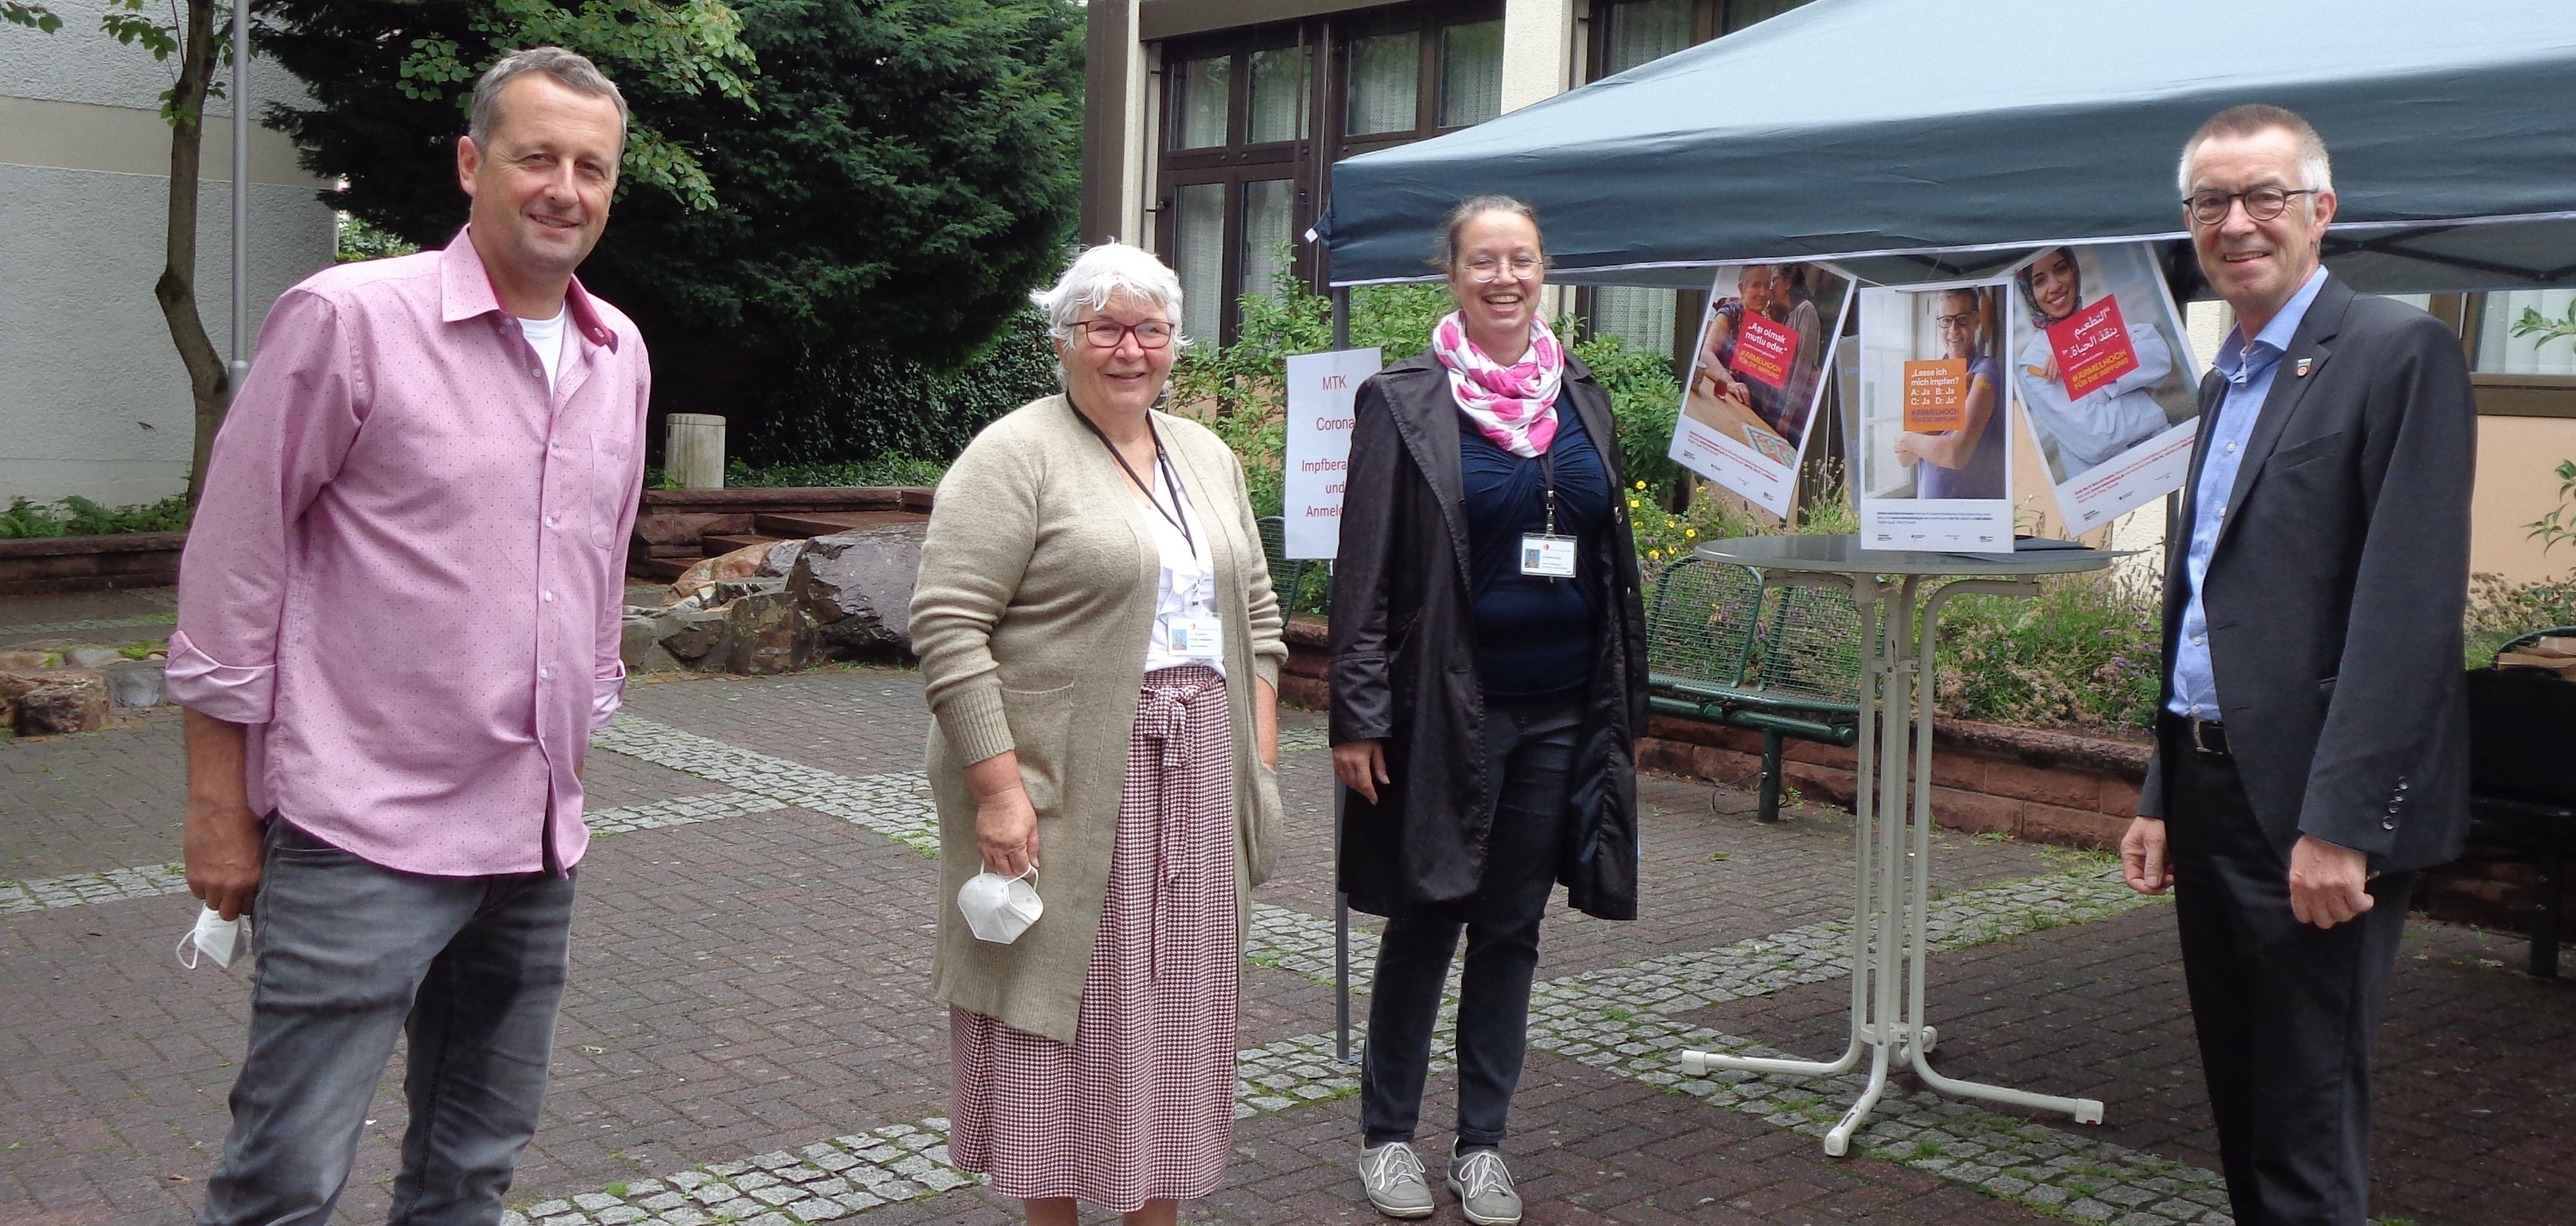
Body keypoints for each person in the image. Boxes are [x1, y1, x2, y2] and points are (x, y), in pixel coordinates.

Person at [168, 48, 647, 1225]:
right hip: (356, 831)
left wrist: (577, 745)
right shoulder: (349, 319)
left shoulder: (614, 352)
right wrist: (220, 806)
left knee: (471, 1166)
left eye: (591, 167)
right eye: (537, 156)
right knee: (284, 1175)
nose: (564, 189)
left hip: (531, 838)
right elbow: (234, 567)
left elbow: (597, 563)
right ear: (473, 164)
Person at [2122, 104, 2474, 1226]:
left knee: (2306, 1126)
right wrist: (2162, 787)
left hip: (2314, 805)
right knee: (2241, 1101)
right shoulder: (2226, 374)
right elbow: (2200, 603)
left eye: (2263, 196)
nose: (2237, 223)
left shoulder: (2395, 351)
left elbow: (2406, 610)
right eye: (2210, 203)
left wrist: (2346, 822)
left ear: (2319, 212)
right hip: (2211, 785)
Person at [911, 242, 1287, 1226]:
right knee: (1063, 1011)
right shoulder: (1014, 453)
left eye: (1150, 328)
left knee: (1176, 1017)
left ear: (1175, 343)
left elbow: (1258, 610)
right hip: (1067, 783)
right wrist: (999, 791)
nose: (1130, 349)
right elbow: (949, 626)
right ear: (1063, 341)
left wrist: (1258, 756)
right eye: (1106, 328)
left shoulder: (1207, 454)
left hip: (1199, 778)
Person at [1331, 195, 1649, 1226]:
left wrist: (1622, 702)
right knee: (1429, 914)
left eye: (1521, 260)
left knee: (1510, 928)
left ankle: (1483, 1144)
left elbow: (1612, 563)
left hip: (1560, 710)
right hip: (1442, 713)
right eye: (1484, 262)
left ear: (1544, 269)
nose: (1504, 278)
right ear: (1454, 276)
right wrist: (1358, 713)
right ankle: (1388, 1136)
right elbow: (1365, 570)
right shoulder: (1405, 399)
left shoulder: (1582, 396)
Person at [2012, 246, 2176, 478]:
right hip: (2109, 490)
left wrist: (2081, 360)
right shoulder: (2034, 362)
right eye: (2040, 281)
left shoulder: (2101, 319)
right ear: (2028, 292)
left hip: (2165, 459)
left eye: (2061, 269)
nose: (2055, 285)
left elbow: (2159, 358)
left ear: (2074, 270)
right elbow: (2096, 436)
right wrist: (2141, 395)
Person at [1893, 287, 2005, 499]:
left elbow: (1955, 454)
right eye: (1946, 320)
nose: (1953, 330)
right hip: (1930, 514)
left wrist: (1909, 439)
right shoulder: (1936, 374)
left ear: (1976, 319)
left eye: (1961, 319)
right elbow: (1904, 459)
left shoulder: (1985, 371)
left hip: (1970, 514)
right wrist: (1946, 422)